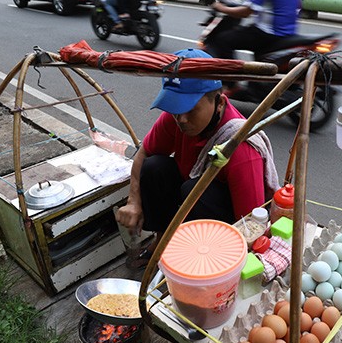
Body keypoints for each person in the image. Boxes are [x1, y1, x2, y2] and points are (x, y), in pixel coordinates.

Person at [115, 49, 279, 267]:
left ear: (219, 103)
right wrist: (133, 202)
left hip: (225, 219)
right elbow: (144, 153)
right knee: (155, 166)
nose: (181, 119)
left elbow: (250, 226)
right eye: (176, 108)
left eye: (190, 109)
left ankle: (197, 258)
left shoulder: (240, 149)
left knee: (195, 190)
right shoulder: (175, 119)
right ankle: (162, 240)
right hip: (189, 195)